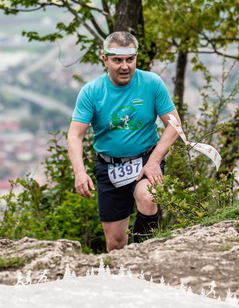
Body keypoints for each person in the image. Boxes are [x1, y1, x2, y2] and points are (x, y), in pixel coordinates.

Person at [67, 31, 181, 251]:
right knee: (116, 243)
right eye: (117, 60)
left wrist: (155, 161)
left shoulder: (151, 83)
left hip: (145, 160)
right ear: (105, 60)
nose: (125, 66)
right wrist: (79, 172)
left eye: (130, 59)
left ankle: (144, 255)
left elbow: (174, 125)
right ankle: (125, 268)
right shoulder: (91, 91)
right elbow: (75, 135)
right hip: (109, 166)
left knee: (148, 197)